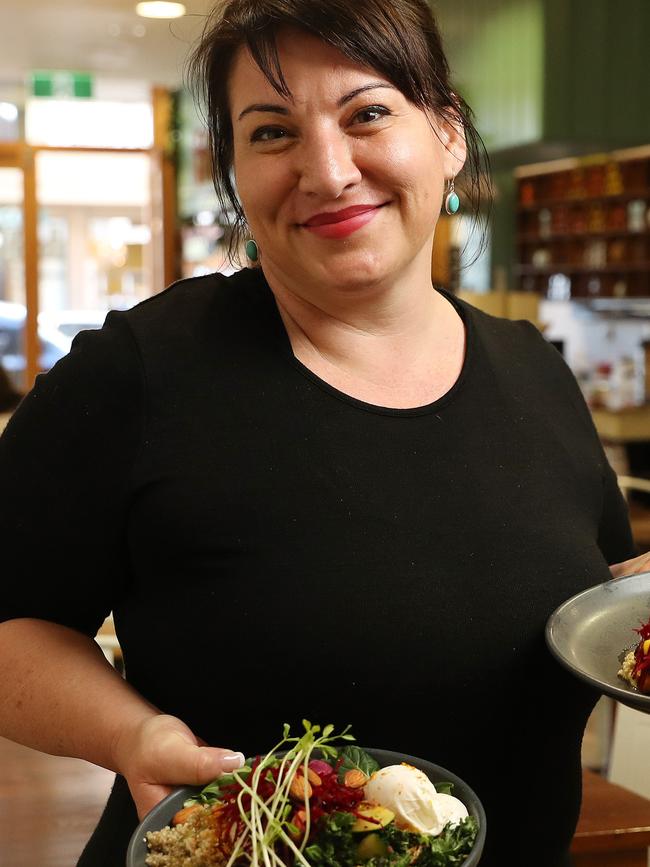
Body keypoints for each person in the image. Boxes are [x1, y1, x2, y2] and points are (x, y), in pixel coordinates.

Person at [0, 1, 644, 865]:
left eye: (367, 113)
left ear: (447, 134)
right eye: (272, 133)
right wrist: (130, 734)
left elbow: (596, 595)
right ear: (235, 173)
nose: (328, 170)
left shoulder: (532, 368)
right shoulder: (146, 370)